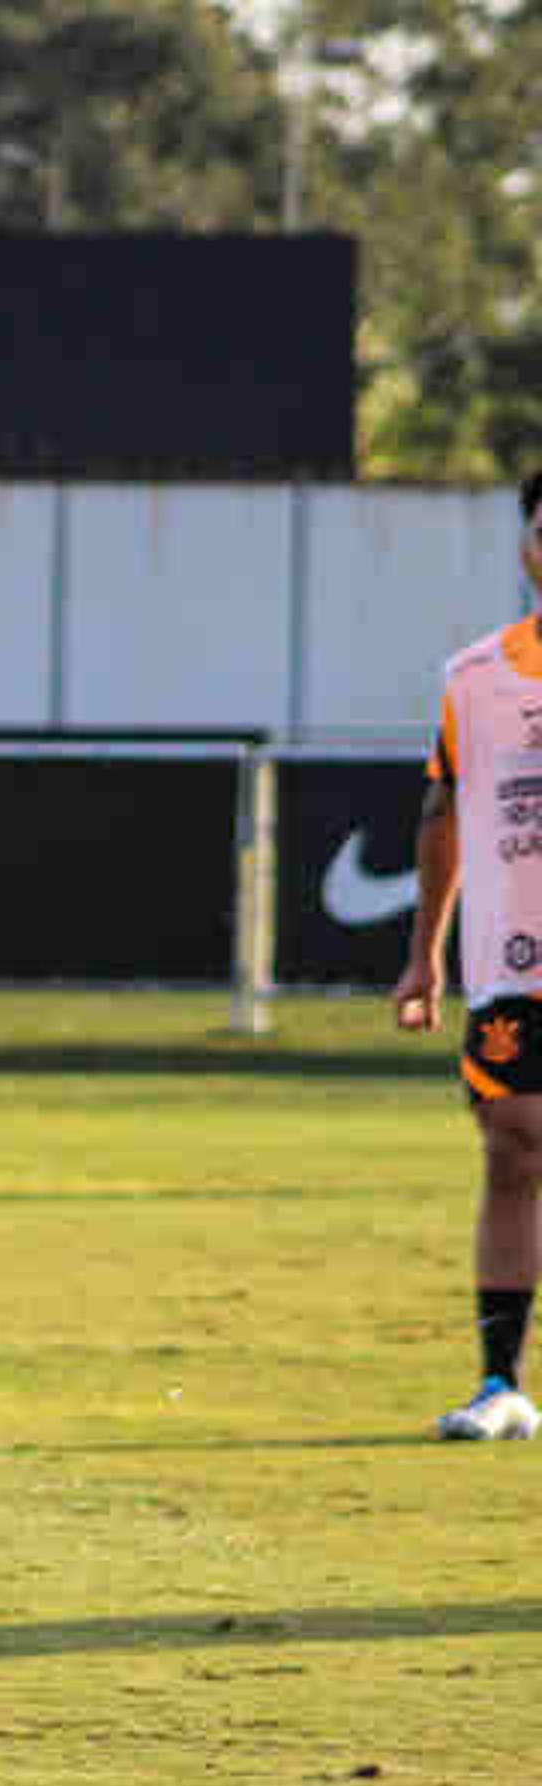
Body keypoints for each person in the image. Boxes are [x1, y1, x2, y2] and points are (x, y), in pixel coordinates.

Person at [395, 464, 542, 1442]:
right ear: (530, 543)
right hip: (511, 966)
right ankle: (502, 1385)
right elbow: (443, 815)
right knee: (513, 1143)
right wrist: (424, 955)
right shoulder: (475, 677)